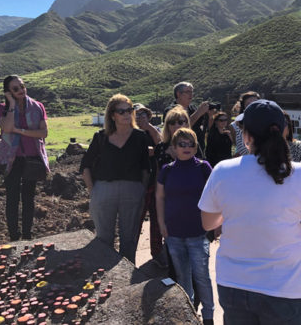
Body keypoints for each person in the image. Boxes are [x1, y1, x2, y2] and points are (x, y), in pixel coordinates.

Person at [199, 99, 301, 325]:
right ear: (282, 131)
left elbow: (208, 223)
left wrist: (235, 209)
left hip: (234, 285)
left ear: (247, 136)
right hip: (285, 288)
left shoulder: (222, 170)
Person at [80, 94, 150, 263]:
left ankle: (126, 277)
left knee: (130, 238)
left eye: (129, 110)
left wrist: (142, 191)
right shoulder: (100, 137)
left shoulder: (140, 137)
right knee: (104, 238)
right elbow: (85, 166)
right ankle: (105, 277)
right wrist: (94, 191)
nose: (127, 114)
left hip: (132, 190)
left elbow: (145, 169)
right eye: (121, 111)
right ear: (112, 115)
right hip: (104, 190)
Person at [156, 128, 215, 325]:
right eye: (182, 144)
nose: (187, 147)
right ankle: (189, 315)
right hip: (174, 233)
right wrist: (161, 223)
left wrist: (215, 224)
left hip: (198, 233)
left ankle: (208, 316)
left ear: (196, 147)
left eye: (191, 144)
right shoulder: (167, 170)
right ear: (173, 148)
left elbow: (216, 195)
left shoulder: (203, 167)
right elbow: (160, 197)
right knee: (183, 278)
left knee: (202, 277)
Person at [0, 75, 49, 241]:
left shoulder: (38, 106)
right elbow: (7, 127)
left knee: (28, 198)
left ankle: (27, 236)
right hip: (9, 159)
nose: (21, 90)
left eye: (22, 86)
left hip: (32, 156)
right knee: (11, 198)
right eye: (16, 88)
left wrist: (21, 131)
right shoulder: (2, 108)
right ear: (8, 92)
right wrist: (11, 104)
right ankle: (14, 237)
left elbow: (43, 133)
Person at [134, 103, 164, 267]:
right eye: (137, 115)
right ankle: (129, 252)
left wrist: (148, 127)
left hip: (153, 180)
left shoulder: (153, 130)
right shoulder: (130, 133)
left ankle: (157, 253)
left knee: (156, 220)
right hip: (137, 183)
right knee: (135, 220)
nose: (140, 118)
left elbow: (160, 144)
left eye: (143, 115)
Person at [163, 82, 212, 159]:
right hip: (178, 151)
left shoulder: (192, 108)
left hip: (196, 149)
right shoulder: (171, 110)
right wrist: (199, 112)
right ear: (178, 94)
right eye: (188, 92)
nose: (191, 95)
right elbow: (181, 129)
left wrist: (210, 115)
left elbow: (204, 127)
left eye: (192, 92)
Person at [229, 91, 260, 156]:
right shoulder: (234, 126)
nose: (252, 106)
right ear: (244, 106)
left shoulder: (267, 123)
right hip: (243, 162)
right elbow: (237, 147)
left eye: (255, 103)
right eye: (248, 104)